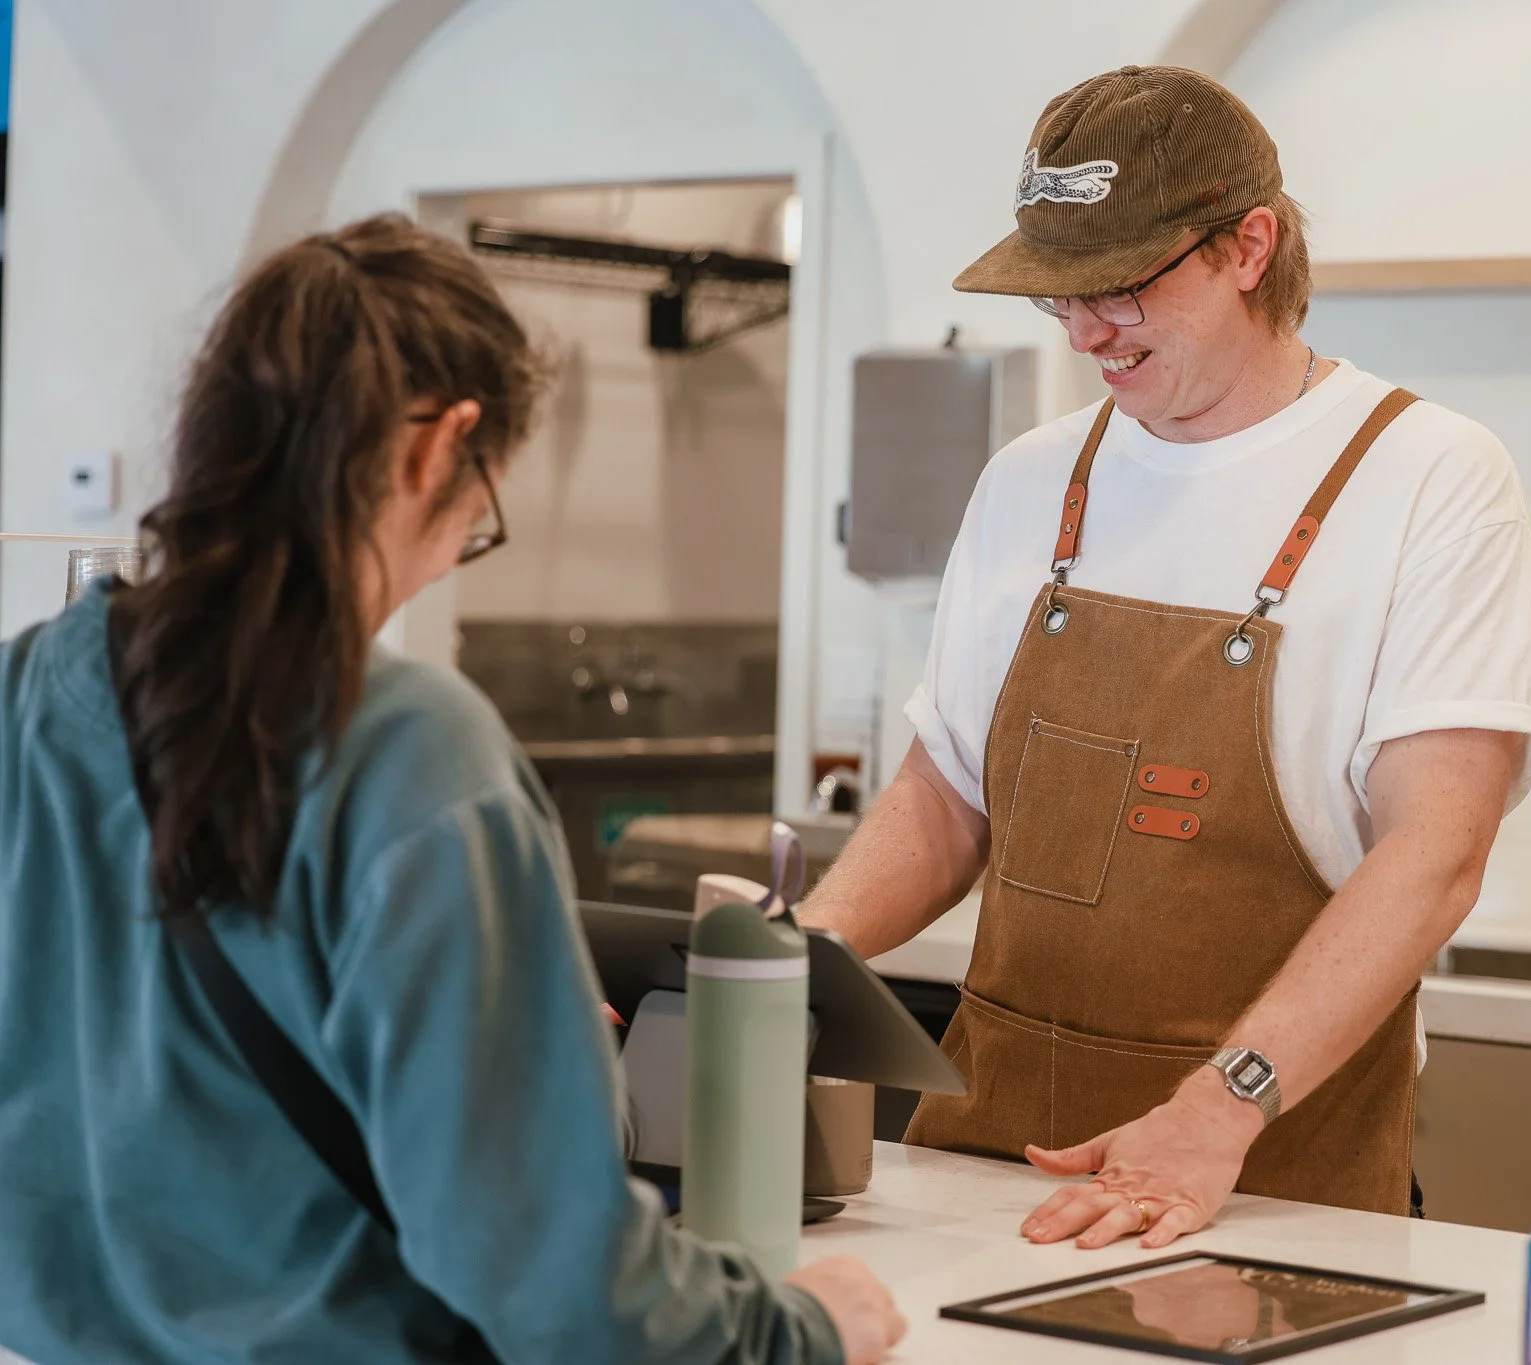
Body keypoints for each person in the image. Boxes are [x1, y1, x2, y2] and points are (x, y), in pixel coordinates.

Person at [0, 215, 902, 1364]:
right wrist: (799, 1330)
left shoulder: (28, 690)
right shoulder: (416, 752)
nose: (461, 540)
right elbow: (552, 1282)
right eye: (483, 515)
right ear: (441, 448)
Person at [800, 66, 1531, 1245]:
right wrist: (794, 957)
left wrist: (1217, 1107)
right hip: (987, 1172)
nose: (1087, 331)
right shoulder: (1028, 478)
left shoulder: (1429, 478)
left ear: (1247, 246)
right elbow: (944, 795)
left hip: (1263, 1182)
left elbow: (1434, 852)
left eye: (1121, 289)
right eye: (1058, 296)